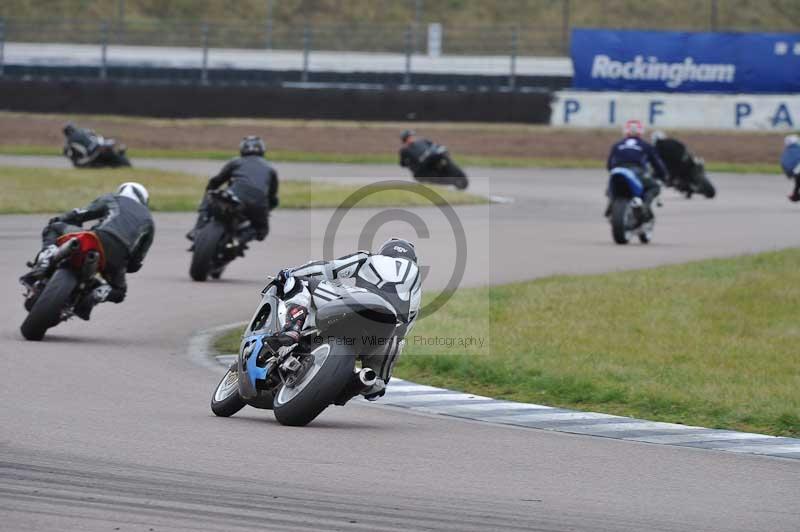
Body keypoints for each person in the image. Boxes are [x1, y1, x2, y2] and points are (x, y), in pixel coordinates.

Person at [268, 238, 422, 402]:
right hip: (389, 332)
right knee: (376, 388)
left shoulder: (369, 258)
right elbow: (406, 325)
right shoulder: (417, 285)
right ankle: (357, 382)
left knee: (299, 282)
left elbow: (328, 269)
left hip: (360, 303)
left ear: (384, 251)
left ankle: (292, 328)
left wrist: (289, 272)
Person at [21, 183, 155, 320]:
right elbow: (137, 259)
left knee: (54, 228)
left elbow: (80, 213)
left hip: (98, 237)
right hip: (118, 256)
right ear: (144, 200)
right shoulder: (149, 221)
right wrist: (127, 266)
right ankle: (96, 295)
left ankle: (46, 258)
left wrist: (62, 219)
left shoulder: (113, 198)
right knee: (119, 292)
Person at [187, 136, 279, 247]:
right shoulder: (270, 168)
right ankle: (239, 240)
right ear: (262, 150)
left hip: (235, 195)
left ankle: (197, 229)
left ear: (242, 149)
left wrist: (210, 190)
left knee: (210, 195)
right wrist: (268, 208)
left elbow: (217, 180)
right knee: (261, 231)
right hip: (258, 202)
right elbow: (272, 197)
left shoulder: (236, 161)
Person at [606, 120, 667, 219]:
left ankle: (610, 205)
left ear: (626, 131)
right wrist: (663, 176)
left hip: (618, 171)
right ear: (640, 131)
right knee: (654, 187)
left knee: (611, 186)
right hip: (637, 171)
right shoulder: (645, 145)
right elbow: (657, 164)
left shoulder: (617, 145)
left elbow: (609, 165)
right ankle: (645, 207)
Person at [781, 134, 800, 202]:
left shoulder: (786, 153)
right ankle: (795, 195)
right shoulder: (797, 149)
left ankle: (795, 195)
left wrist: (789, 174)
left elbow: (785, 165)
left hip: (795, 173)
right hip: (797, 172)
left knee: (797, 182)